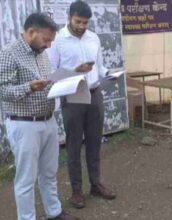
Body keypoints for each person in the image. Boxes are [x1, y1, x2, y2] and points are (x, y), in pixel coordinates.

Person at [0, 13, 78, 220]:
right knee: (26, 179)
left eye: (51, 41)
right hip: (24, 124)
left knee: (49, 173)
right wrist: (29, 87)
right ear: (31, 32)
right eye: (46, 40)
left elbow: (47, 82)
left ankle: (54, 212)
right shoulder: (9, 53)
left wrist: (63, 83)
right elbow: (2, 91)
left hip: (48, 120)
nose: (49, 45)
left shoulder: (41, 53)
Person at [47, 0, 116, 209]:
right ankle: (76, 191)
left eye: (85, 22)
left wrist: (109, 74)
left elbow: (101, 67)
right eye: (78, 21)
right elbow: (52, 74)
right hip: (72, 96)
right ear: (69, 17)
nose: (82, 26)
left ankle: (95, 184)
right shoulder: (58, 40)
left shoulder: (93, 38)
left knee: (95, 143)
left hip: (95, 95)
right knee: (74, 145)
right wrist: (75, 72)